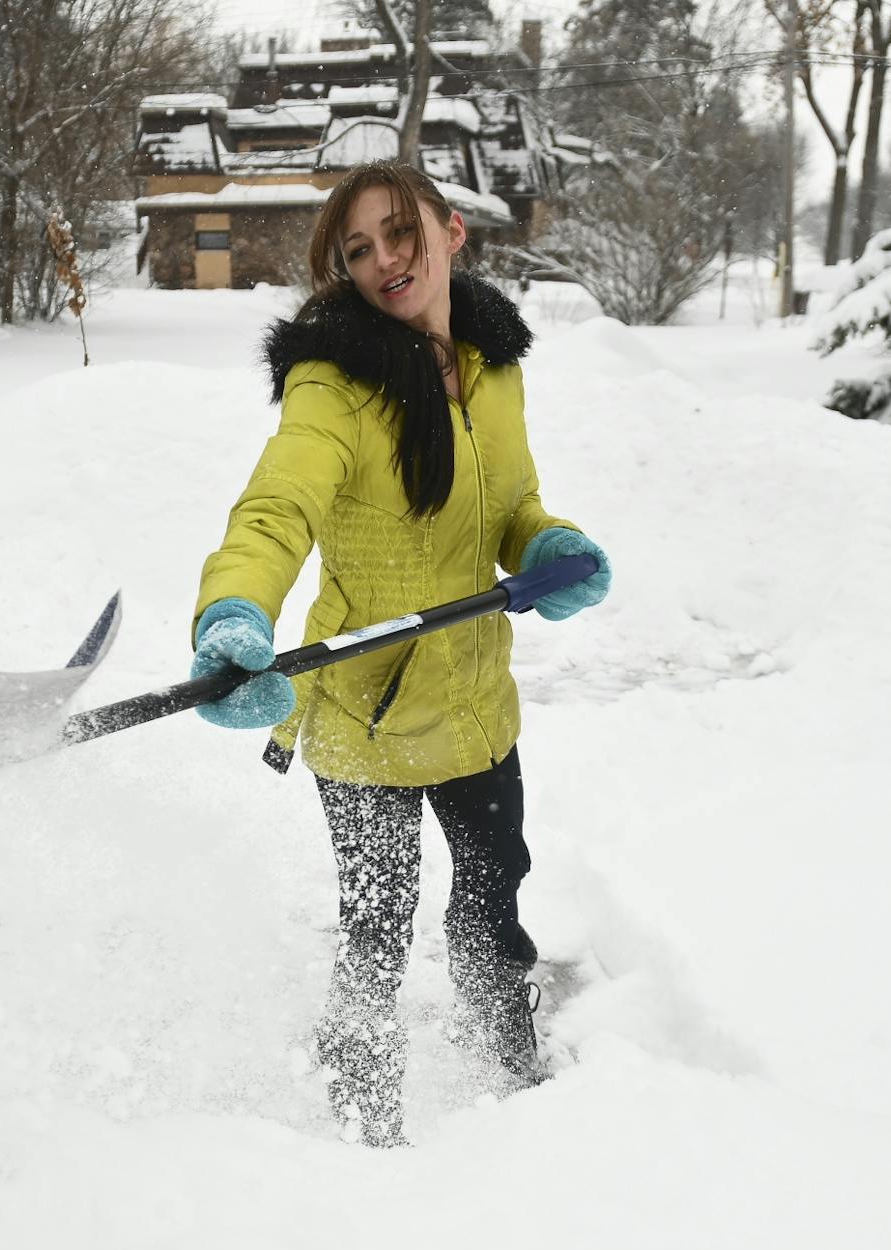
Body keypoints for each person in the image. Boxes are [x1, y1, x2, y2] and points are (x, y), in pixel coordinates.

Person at [188, 161, 612, 1148]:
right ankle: (364, 1118)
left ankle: (516, 1071)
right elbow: (277, 506)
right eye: (357, 250)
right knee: (376, 931)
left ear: (452, 229)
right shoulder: (333, 380)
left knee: (491, 906)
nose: (385, 260)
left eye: (400, 233)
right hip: (362, 710)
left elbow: (509, 505)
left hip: (473, 703)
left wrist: (546, 547)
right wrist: (235, 612)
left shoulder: (495, 365)